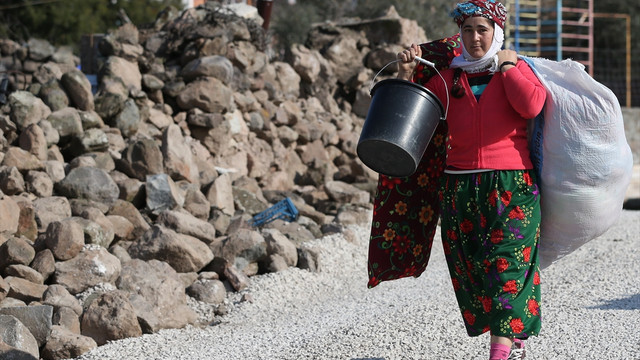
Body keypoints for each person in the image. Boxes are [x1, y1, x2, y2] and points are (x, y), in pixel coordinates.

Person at [396, 1, 546, 359]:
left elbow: (533, 106)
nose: (475, 38)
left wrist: (507, 67)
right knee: (475, 269)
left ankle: (501, 351)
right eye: (468, 30)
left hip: (512, 186)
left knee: (507, 264)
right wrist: (405, 74)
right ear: (459, 35)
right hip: (459, 187)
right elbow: (410, 117)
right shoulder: (448, 80)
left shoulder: (517, 68)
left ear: (497, 31)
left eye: (483, 29)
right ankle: (511, 336)